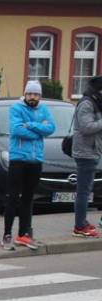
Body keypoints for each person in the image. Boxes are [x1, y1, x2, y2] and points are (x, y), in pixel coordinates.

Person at [1, 80, 54, 251]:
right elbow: (16, 130)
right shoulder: (16, 108)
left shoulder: (43, 109)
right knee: (13, 197)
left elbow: (51, 128)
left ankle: (23, 234)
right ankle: (7, 234)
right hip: (18, 158)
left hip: (35, 160)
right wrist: (39, 131)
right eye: (30, 94)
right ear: (25, 94)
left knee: (28, 198)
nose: (33, 97)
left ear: (40, 96)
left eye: (36, 94)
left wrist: (30, 125)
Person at [71, 75, 102, 238]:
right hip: (85, 152)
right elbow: (86, 127)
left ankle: (82, 221)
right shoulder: (87, 103)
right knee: (83, 191)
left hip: (92, 150)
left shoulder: (94, 102)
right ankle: (79, 226)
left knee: (86, 188)